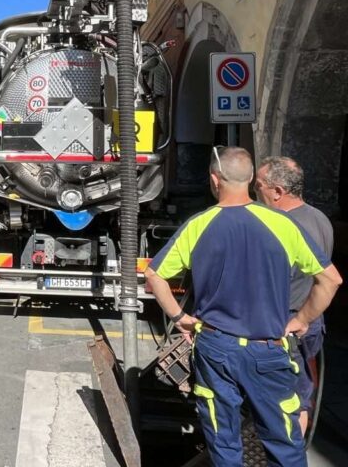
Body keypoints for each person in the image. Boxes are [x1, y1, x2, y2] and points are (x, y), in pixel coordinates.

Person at [144, 146, 342, 467]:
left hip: (215, 347)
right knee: (284, 442)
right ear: (250, 179)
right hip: (269, 348)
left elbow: (154, 275)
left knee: (224, 442)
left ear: (214, 180)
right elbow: (330, 280)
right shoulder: (282, 224)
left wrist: (179, 316)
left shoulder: (198, 225)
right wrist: (302, 320)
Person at [255, 155, 333, 437]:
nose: (256, 192)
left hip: (287, 323)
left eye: (259, 186)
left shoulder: (283, 226)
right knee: (300, 393)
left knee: (289, 401)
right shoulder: (320, 218)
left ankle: (289, 453)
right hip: (311, 320)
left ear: (277, 191)